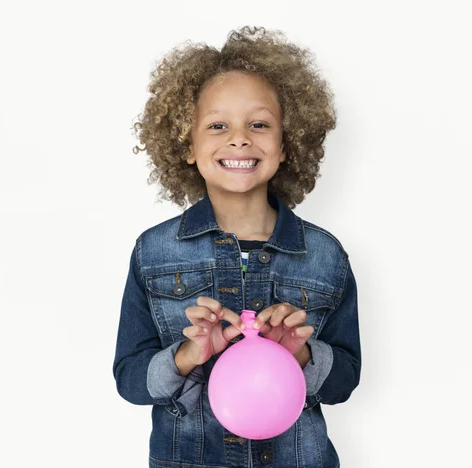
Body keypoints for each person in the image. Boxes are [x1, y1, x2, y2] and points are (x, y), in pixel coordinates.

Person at [112, 25, 361, 468]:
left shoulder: (325, 257)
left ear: (286, 144)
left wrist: (300, 353)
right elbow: (130, 380)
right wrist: (188, 355)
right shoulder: (154, 253)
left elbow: (345, 380)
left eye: (259, 124)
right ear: (187, 144)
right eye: (218, 125)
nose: (240, 138)